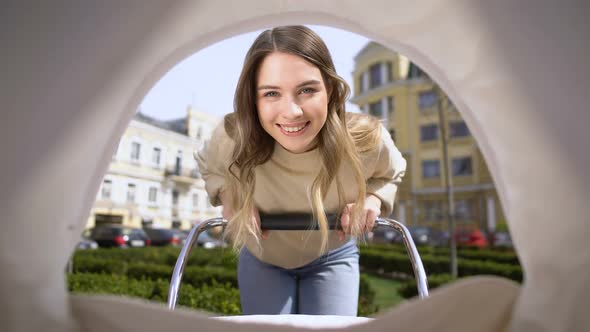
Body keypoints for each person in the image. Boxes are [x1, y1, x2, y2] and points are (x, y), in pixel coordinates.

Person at [196, 25, 406, 316]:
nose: (292, 112)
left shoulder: (366, 139)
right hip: (262, 257)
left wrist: (373, 199)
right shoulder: (232, 137)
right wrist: (231, 196)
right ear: (253, 99)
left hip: (333, 254)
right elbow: (210, 167)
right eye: (271, 93)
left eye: (307, 90)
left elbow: (392, 173)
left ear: (330, 89)